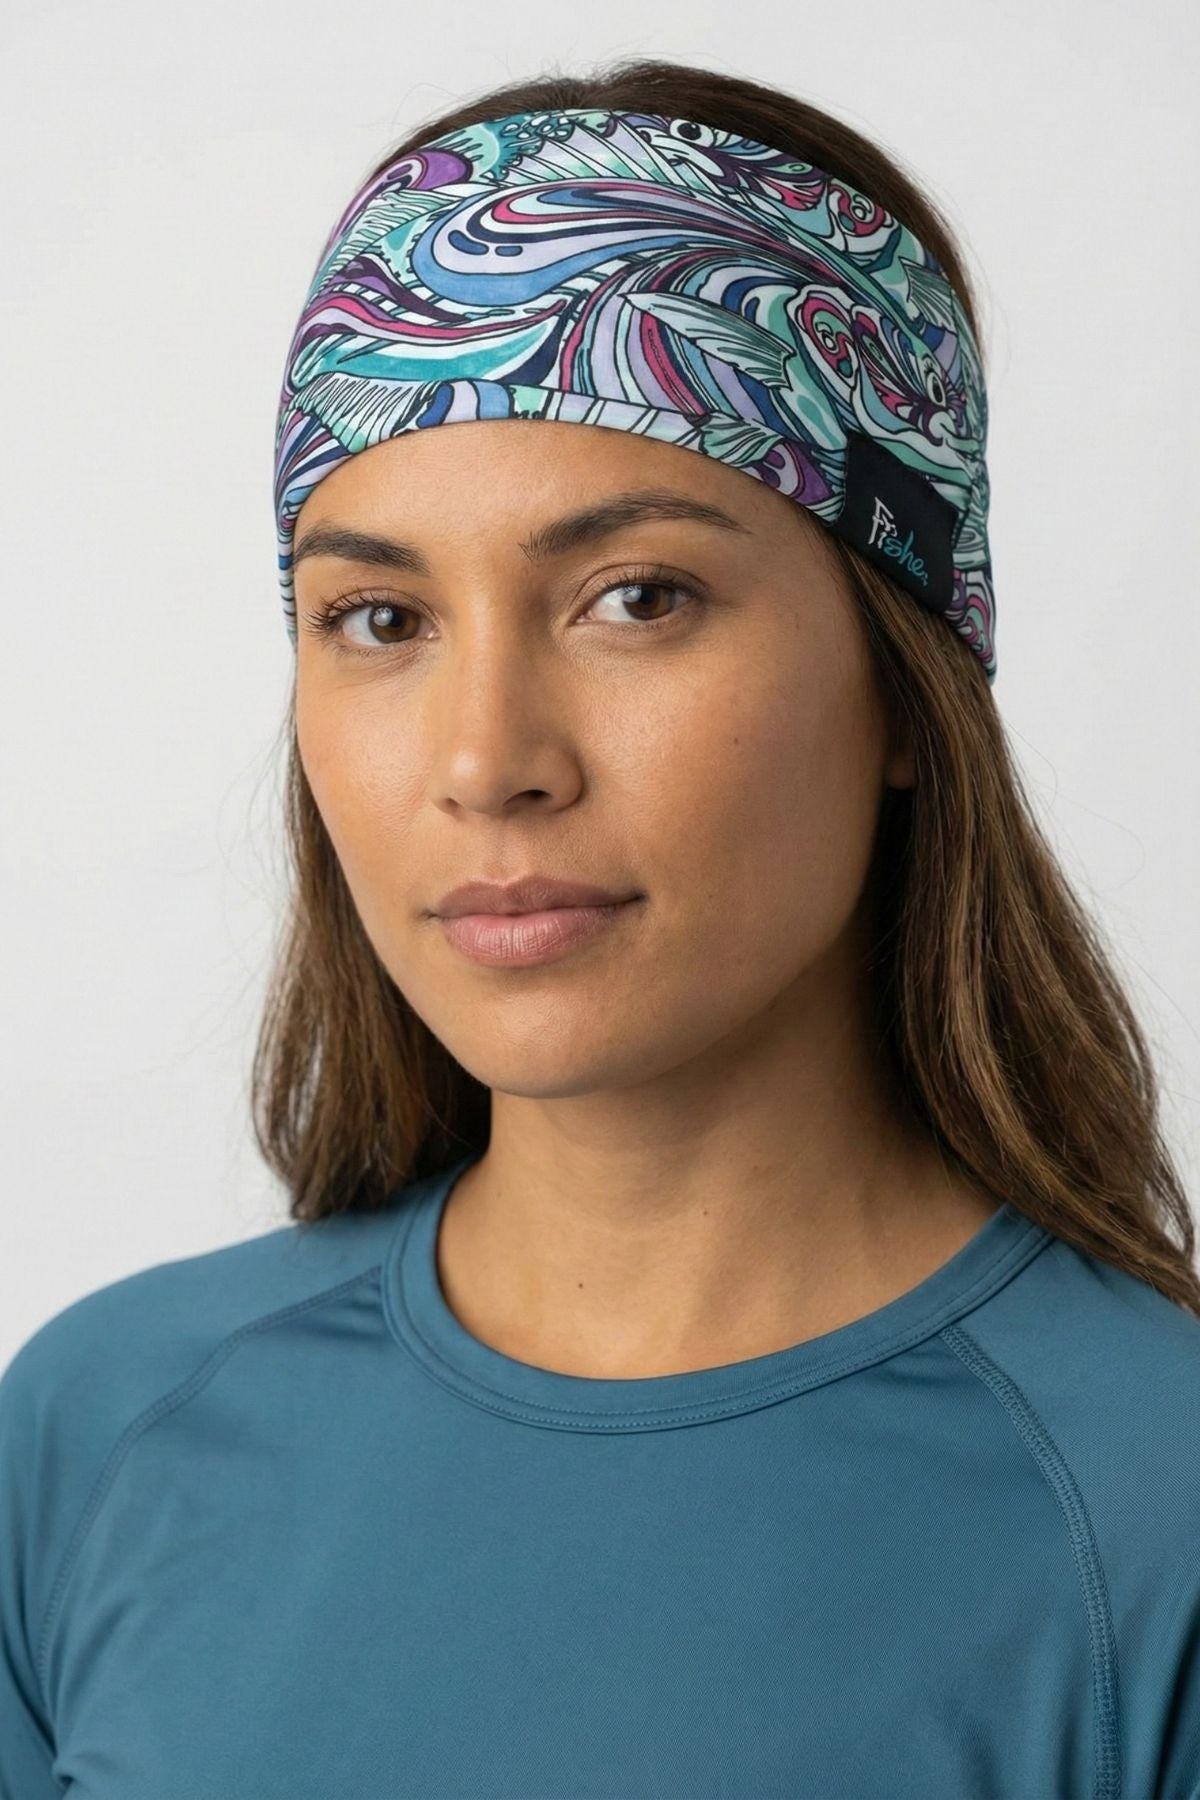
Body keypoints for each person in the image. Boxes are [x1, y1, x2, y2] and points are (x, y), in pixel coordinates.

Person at [2, 57, 1198, 1800]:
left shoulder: (1156, 1517)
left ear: (906, 683)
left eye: (638, 597)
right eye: (381, 616)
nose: (489, 759)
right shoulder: (99, 1429)